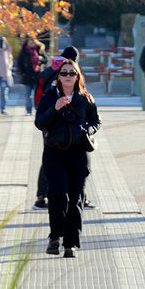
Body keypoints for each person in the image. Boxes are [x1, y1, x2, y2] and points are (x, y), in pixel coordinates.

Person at [34, 59, 101, 258]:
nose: (68, 76)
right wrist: (54, 108)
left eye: (72, 73)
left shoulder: (85, 98)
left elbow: (96, 121)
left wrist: (87, 130)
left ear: (78, 76)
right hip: (55, 153)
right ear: (58, 77)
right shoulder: (49, 97)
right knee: (57, 195)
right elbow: (39, 123)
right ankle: (55, 237)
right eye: (64, 73)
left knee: (76, 199)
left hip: (78, 153)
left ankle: (71, 243)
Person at [17, 37, 46, 116]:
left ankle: (38, 110)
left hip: (37, 76)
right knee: (28, 95)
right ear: (27, 42)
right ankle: (28, 111)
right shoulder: (24, 52)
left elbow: (46, 60)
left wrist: (41, 59)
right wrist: (22, 73)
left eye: (33, 42)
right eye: (30, 42)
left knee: (38, 95)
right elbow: (19, 64)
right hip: (27, 76)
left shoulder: (39, 50)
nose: (31, 43)